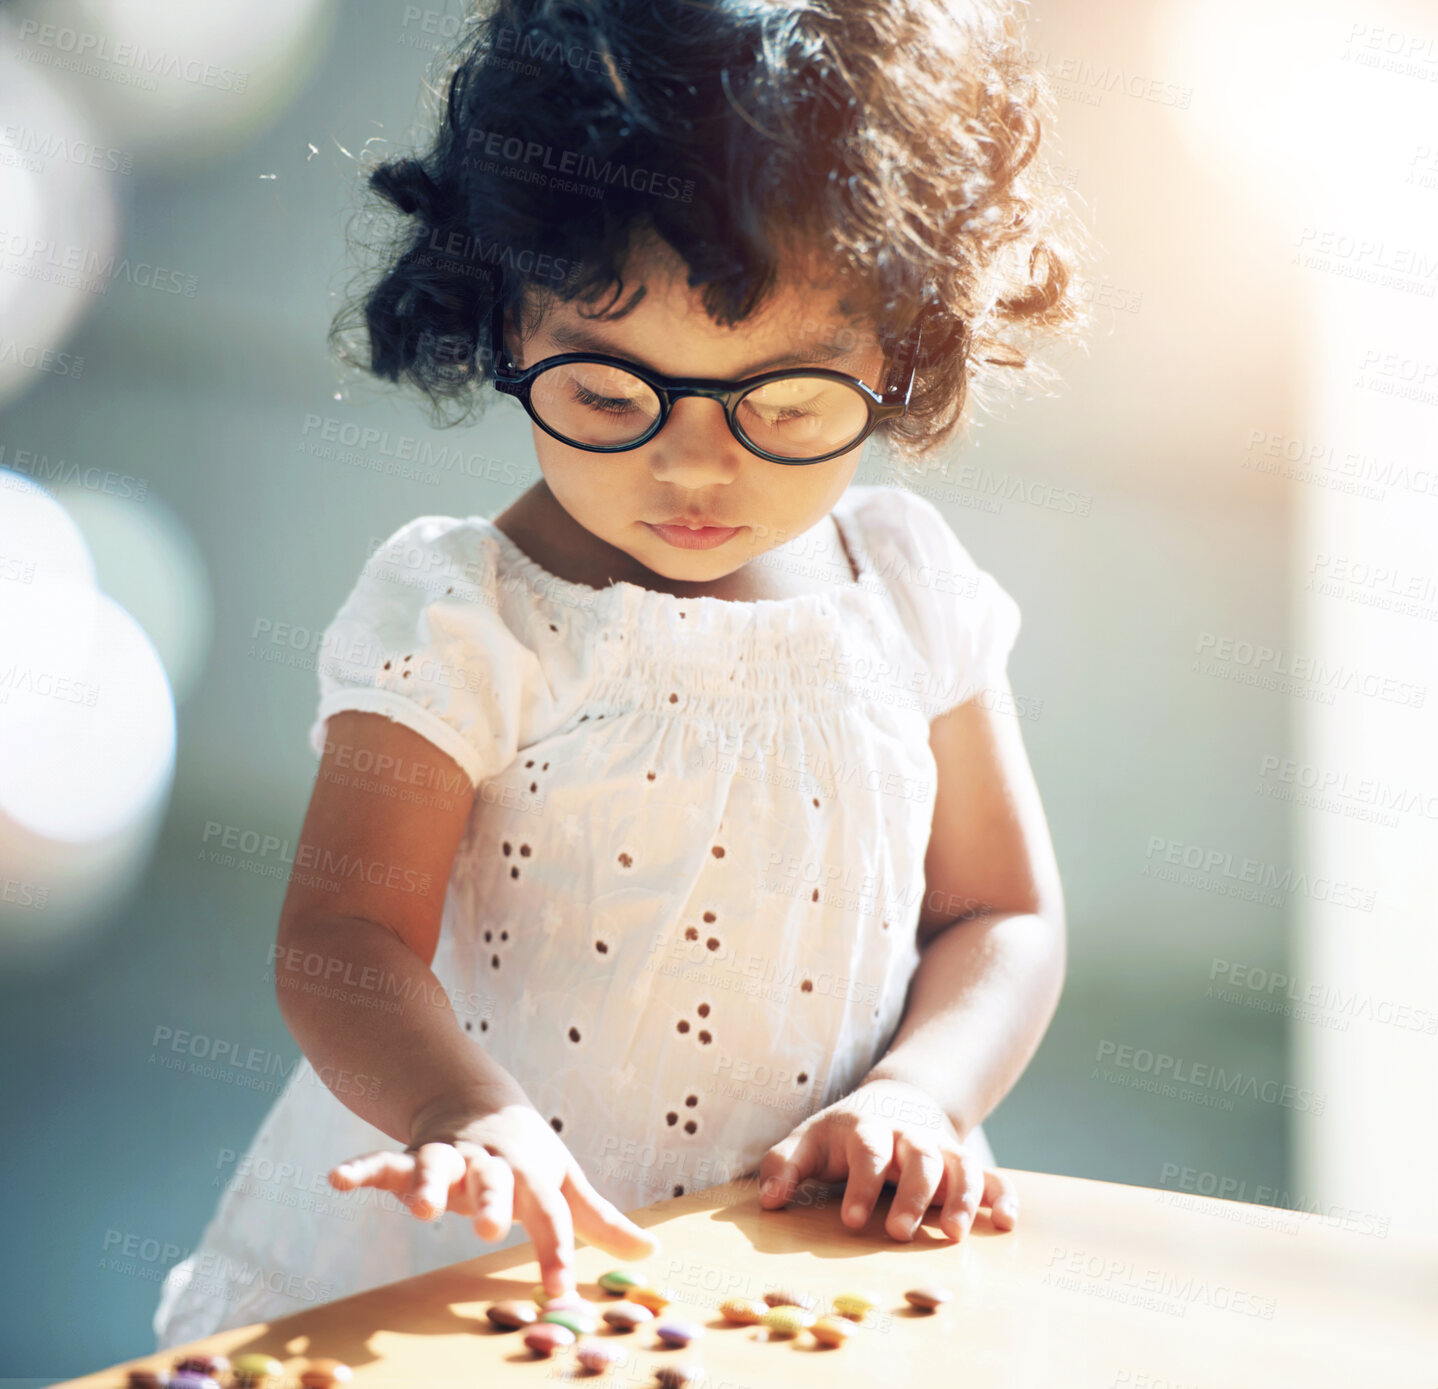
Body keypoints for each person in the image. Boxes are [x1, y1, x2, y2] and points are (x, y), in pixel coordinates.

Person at [155, 0, 1087, 1347]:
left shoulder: (905, 586)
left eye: (781, 403)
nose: (695, 468)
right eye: (605, 394)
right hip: (481, 1257)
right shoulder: (467, 613)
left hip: (794, 1257)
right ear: (503, 324)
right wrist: (458, 1113)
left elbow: (1001, 913)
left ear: (900, 345)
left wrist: (921, 1096)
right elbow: (342, 938)